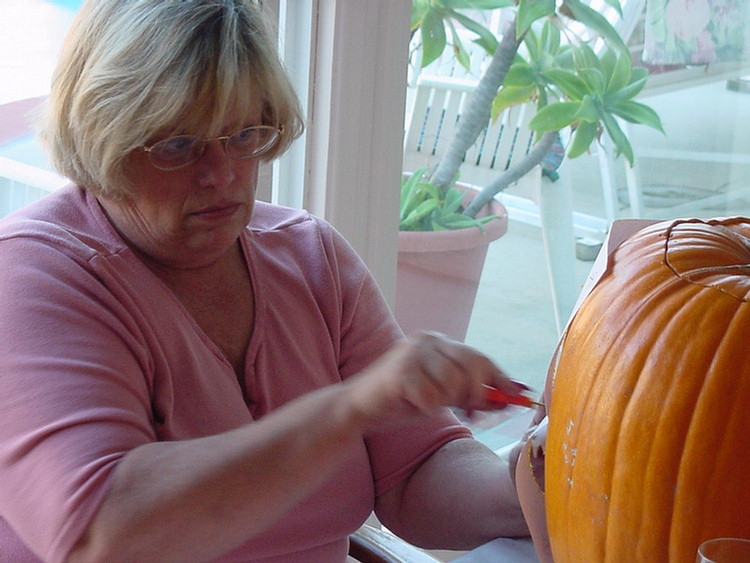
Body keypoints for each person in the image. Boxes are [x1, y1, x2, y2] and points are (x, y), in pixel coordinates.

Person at [0, 1, 530, 562]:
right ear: (99, 134)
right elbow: (103, 533)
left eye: (244, 134)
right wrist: (354, 405)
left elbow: (415, 471)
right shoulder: (31, 277)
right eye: (178, 145)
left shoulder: (310, 257)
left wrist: (531, 483)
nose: (222, 173)